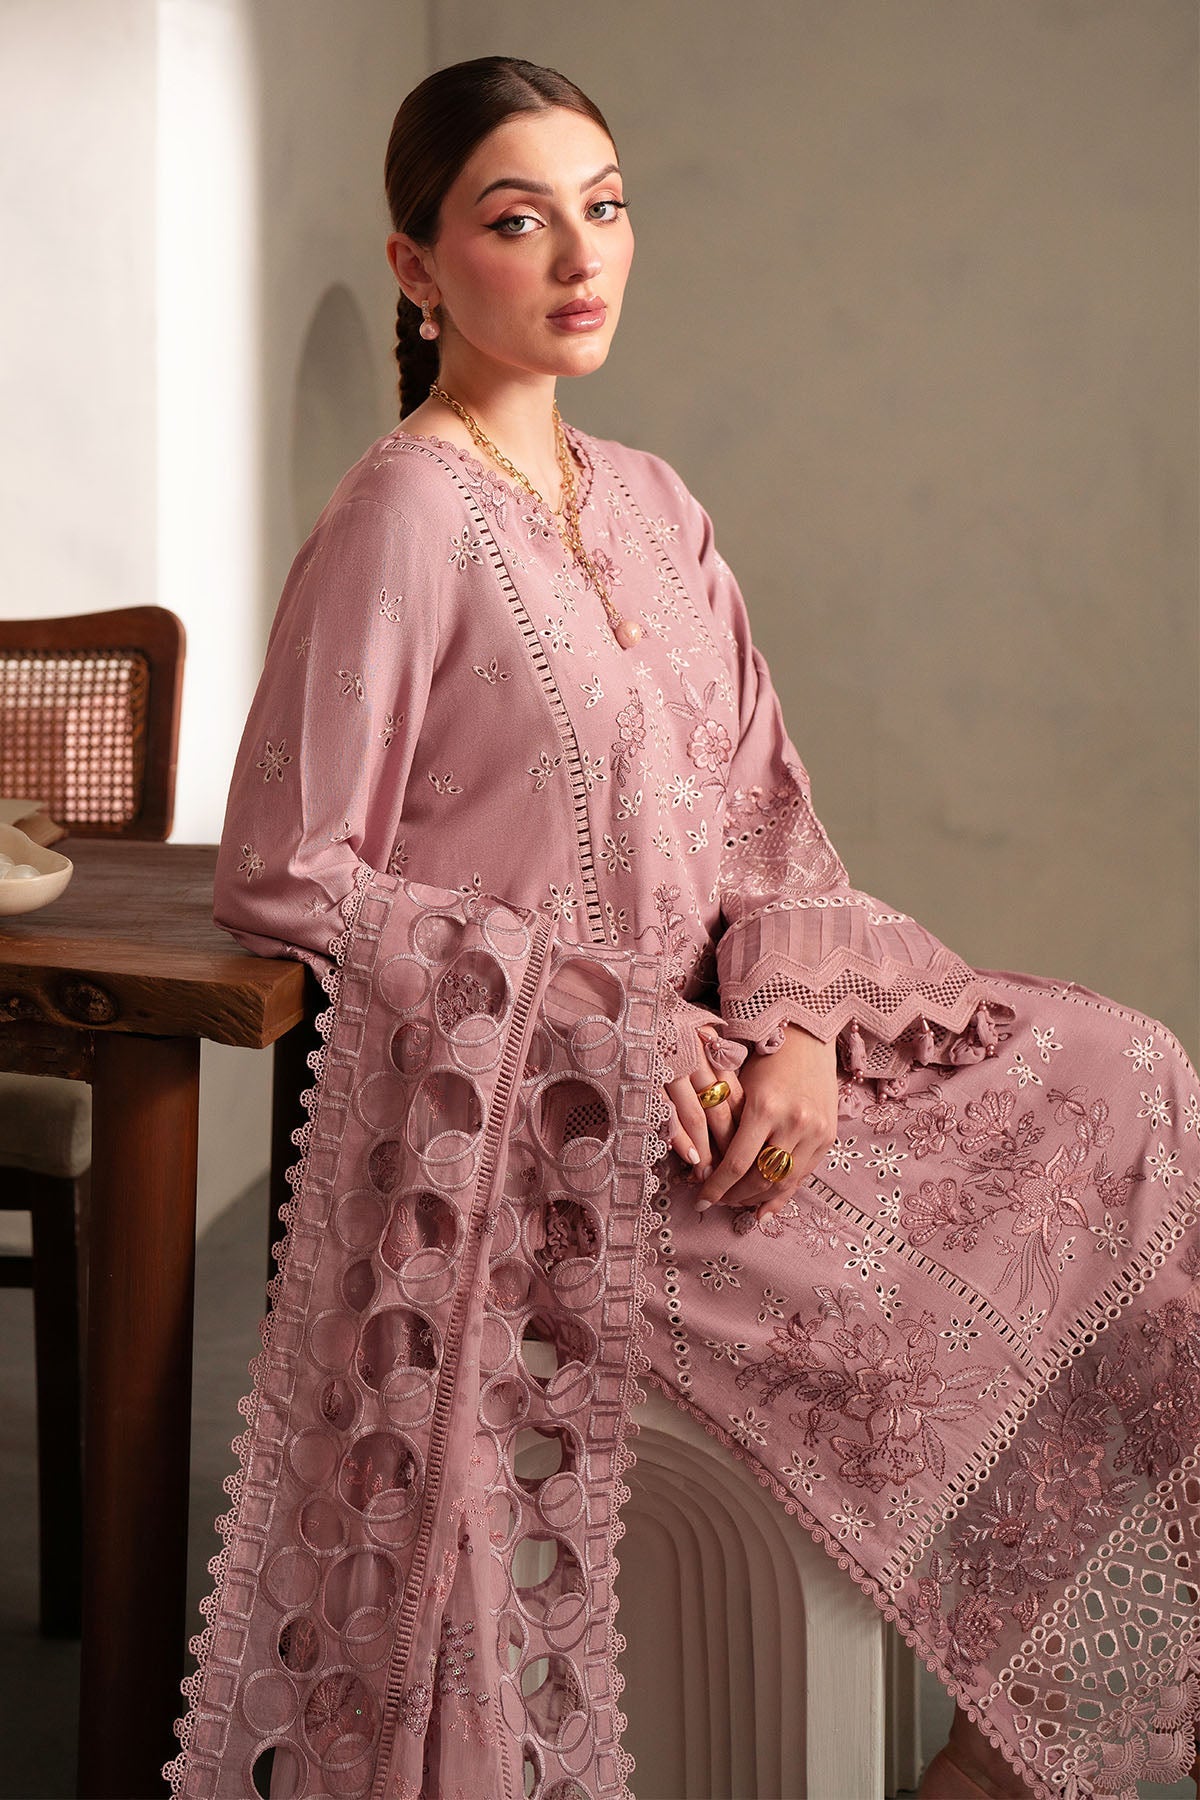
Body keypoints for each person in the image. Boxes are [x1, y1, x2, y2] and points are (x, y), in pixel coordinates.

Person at [167, 55, 1200, 1800]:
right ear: (418, 267)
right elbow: (288, 867)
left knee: (1126, 1073)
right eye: (518, 221)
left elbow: (767, 818)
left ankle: (1034, 1734)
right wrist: (600, 1029)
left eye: (606, 207)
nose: (582, 256)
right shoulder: (405, 513)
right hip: (575, 1131)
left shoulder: (652, 501)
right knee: (960, 1284)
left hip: (738, 1065)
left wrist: (799, 1029)